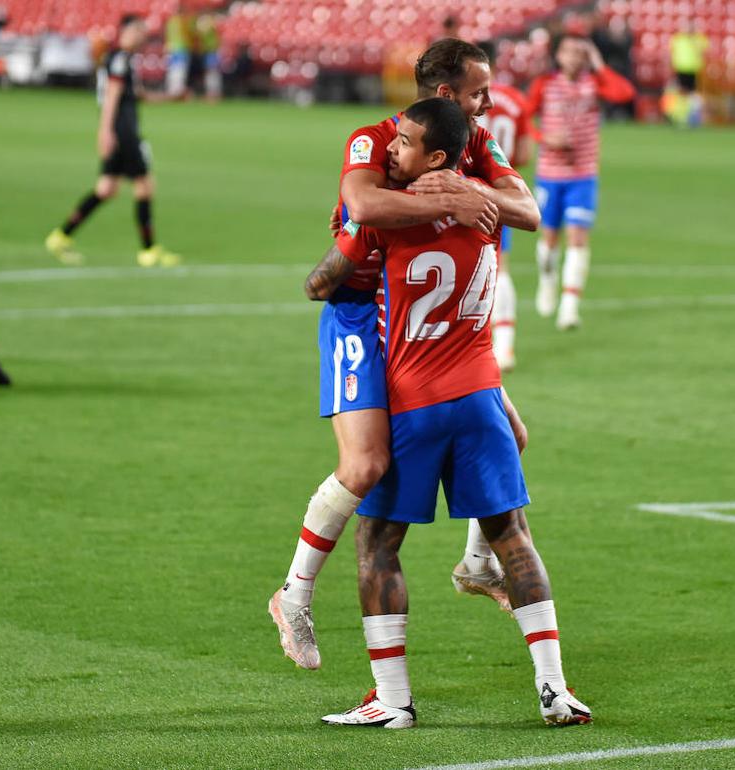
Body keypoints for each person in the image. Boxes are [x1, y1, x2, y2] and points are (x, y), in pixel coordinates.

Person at [305, 99, 590, 728]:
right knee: (512, 537)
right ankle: (554, 689)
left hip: (414, 404)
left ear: (434, 155)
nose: (391, 149)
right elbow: (521, 208)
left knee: (378, 545)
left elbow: (322, 282)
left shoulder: (394, 217)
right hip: (483, 400)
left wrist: (348, 231)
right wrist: (468, 190)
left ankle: (393, 700)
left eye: (404, 142)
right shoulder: (486, 211)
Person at [269, 38, 540, 672]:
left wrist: (473, 192)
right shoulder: (375, 139)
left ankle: (477, 564)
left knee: (511, 434)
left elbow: (527, 210)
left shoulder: (473, 143)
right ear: (446, 94)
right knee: (366, 464)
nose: (488, 102)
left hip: (423, 320)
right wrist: (450, 199)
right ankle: (295, 594)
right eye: (478, 92)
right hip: (362, 315)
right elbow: (363, 206)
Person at [45, 15, 183, 269]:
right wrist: (106, 131)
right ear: (126, 31)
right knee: (144, 186)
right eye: (138, 30)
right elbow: (112, 96)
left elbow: (138, 95)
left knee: (106, 189)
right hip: (124, 133)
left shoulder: (124, 60)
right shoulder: (120, 59)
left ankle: (61, 236)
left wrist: (170, 98)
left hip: (120, 130)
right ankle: (149, 251)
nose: (142, 36)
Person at [527, 33, 634, 330]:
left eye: (580, 52)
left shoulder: (594, 83)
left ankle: (569, 306)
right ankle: (547, 279)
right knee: (549, 238)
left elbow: (624, 94)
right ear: (558, 55)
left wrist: (599, 64)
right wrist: (544, 138)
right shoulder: (545, 84)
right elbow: (524, 117)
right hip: (550, 175)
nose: (574, 57)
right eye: (569, 51)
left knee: (577, 237)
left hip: (583, 175)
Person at [476, 41, 536, 372]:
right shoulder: (514, 99)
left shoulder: (463, 98)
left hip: (464, 191)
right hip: (501, 194)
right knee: (500, 268)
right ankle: (506, 345)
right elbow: (524, 154)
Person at [669, 18, 707, 97]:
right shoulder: (678, 38)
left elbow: (705, 51)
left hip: (695, 69)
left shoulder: (699, 38)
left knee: (693, 91)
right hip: (681, 67)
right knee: (682, 90)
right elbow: (672, 52)